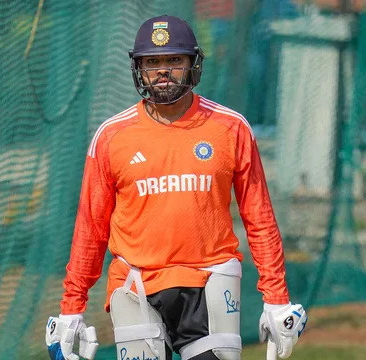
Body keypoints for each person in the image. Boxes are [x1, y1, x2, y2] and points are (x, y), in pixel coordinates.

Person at [45, 15, 307, 360]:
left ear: (193, 64)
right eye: (152, 62)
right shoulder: (111, 136)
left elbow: (259, 218)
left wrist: (276, 297)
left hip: (211, 279)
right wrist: (72, 306)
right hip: (135, 284)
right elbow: (90, 229)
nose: (163, 70)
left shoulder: (231, 128)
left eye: (174, 60)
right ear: (138, 67)